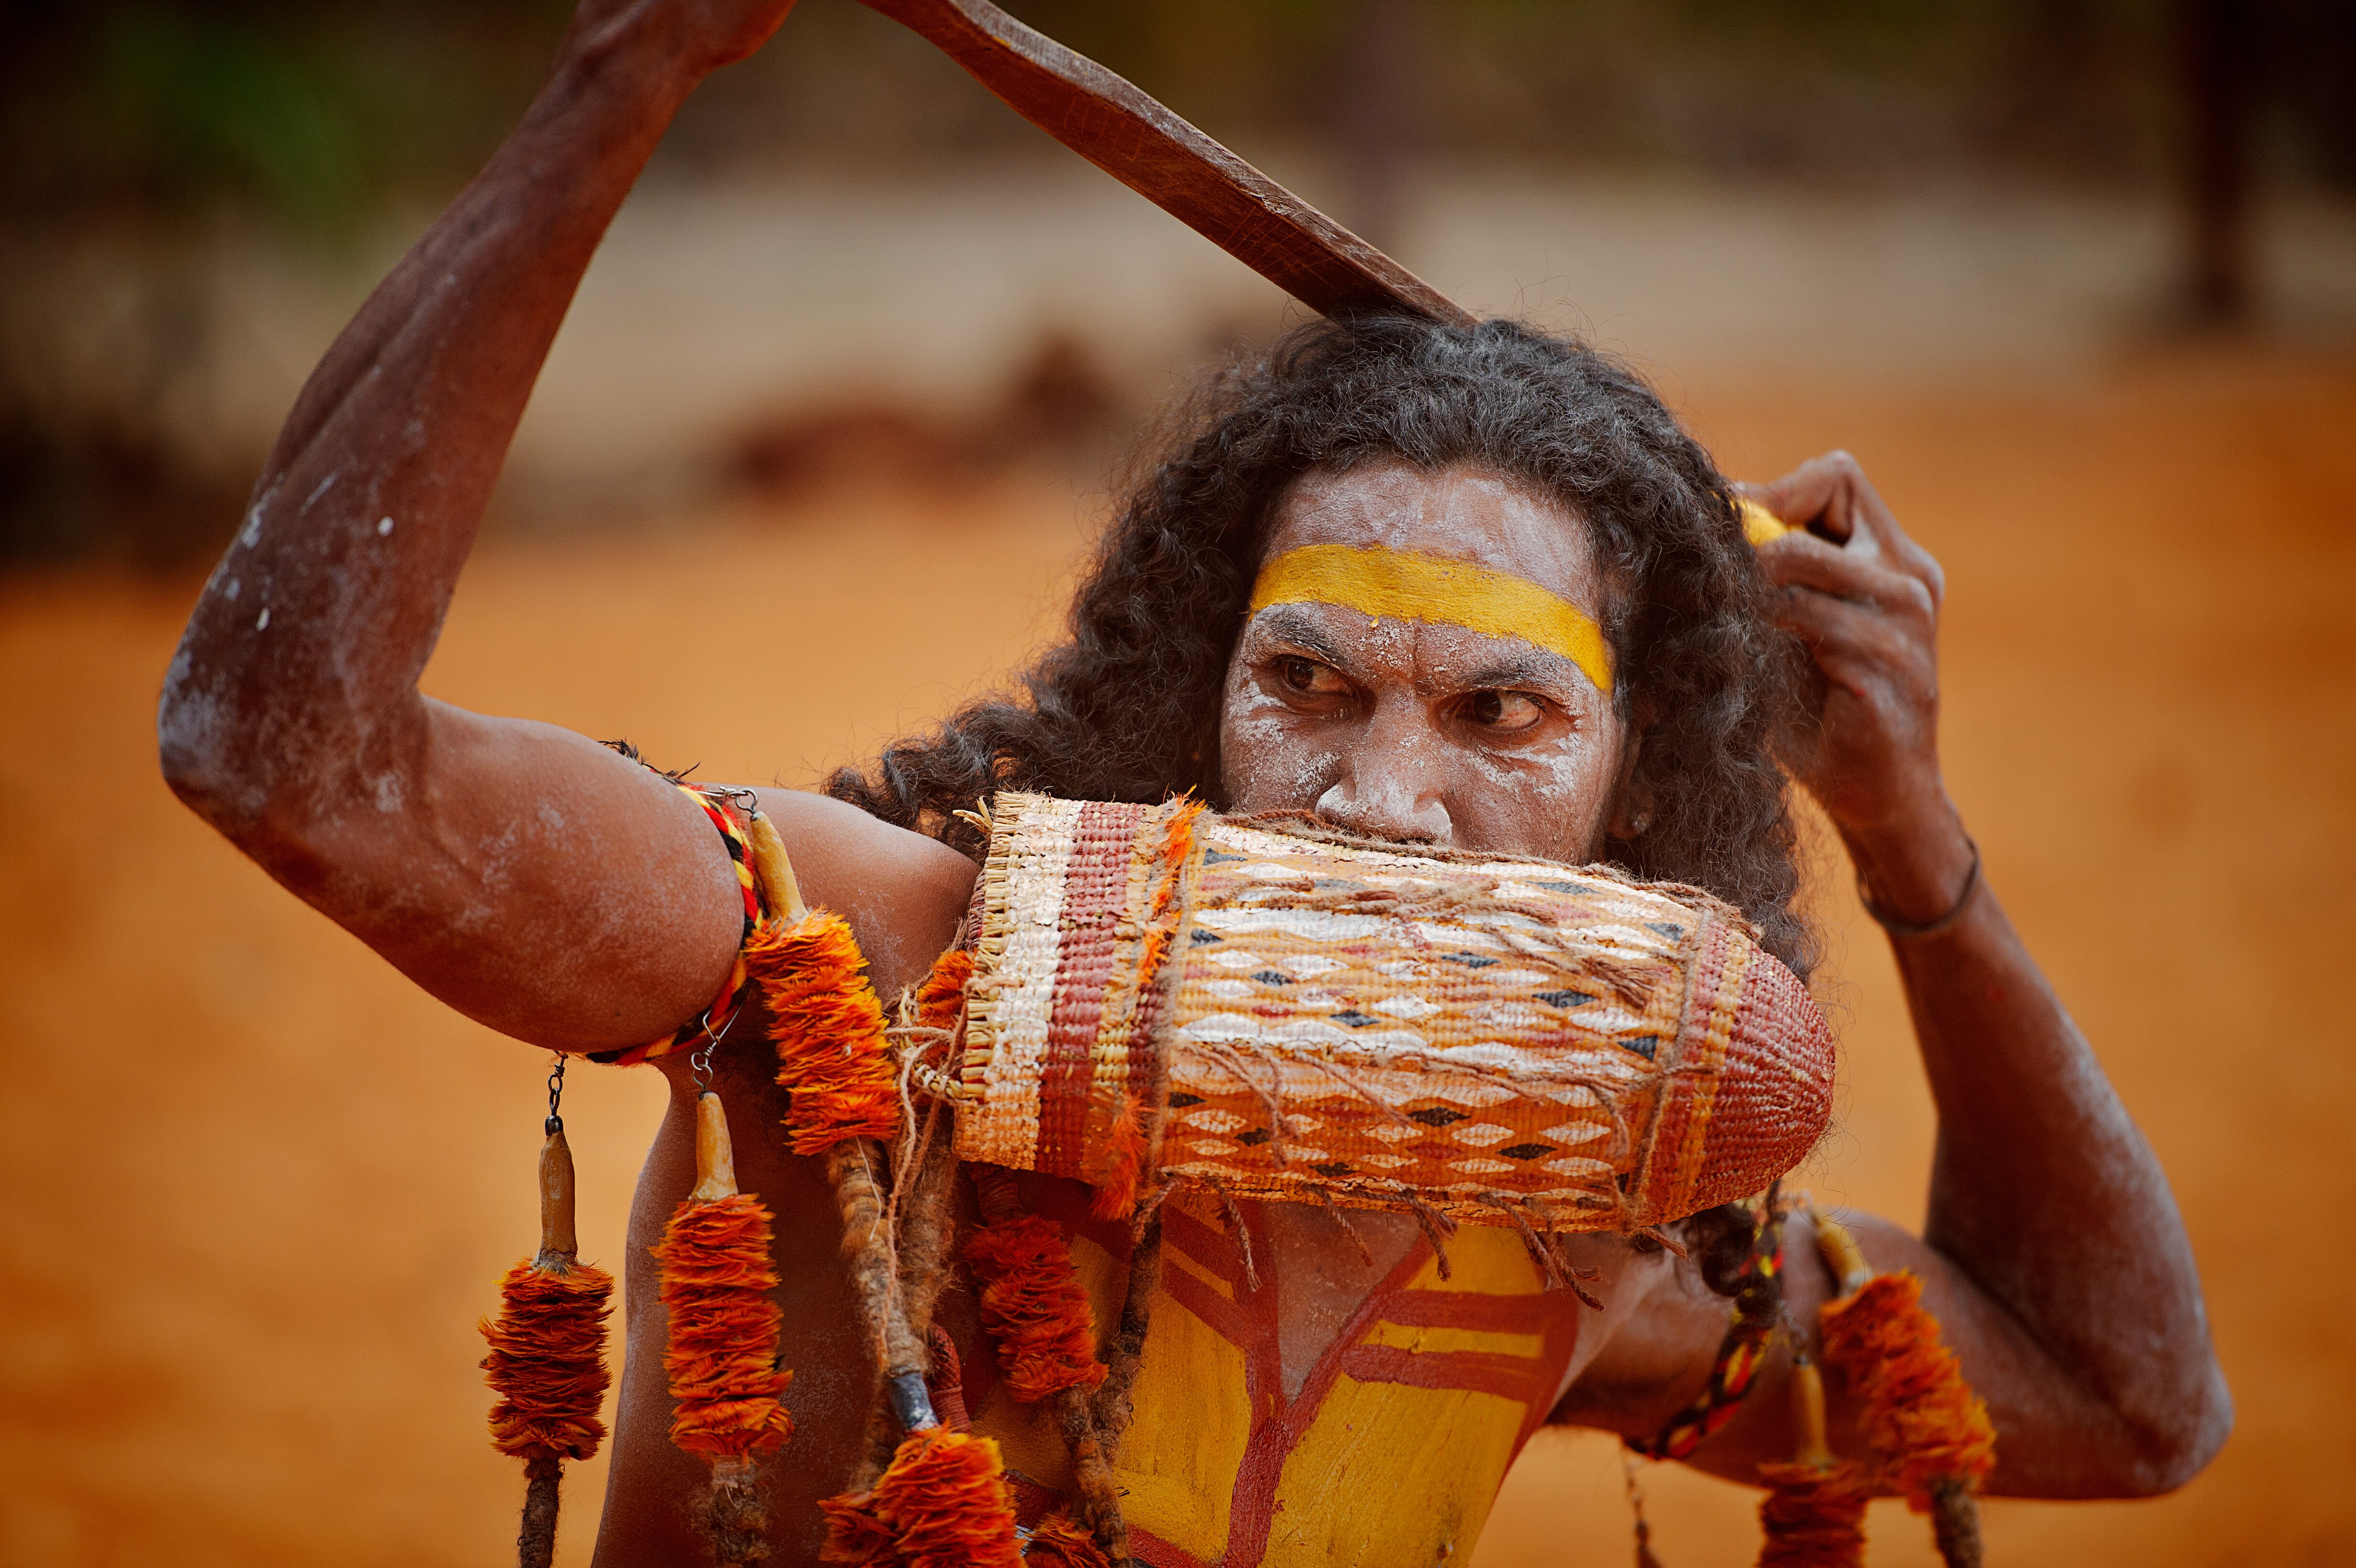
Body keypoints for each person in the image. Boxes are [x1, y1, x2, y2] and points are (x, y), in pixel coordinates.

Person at [155, 0, 2230, 1562]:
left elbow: (2127, 1402)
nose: (1377, 800)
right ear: (1190, 700)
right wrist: (614, 87)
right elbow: (287, 757)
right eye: (1302, 683)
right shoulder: (855, 985)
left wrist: (1903, 829)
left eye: (1499, 719)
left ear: (1638, 797)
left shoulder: (1576, 1245)